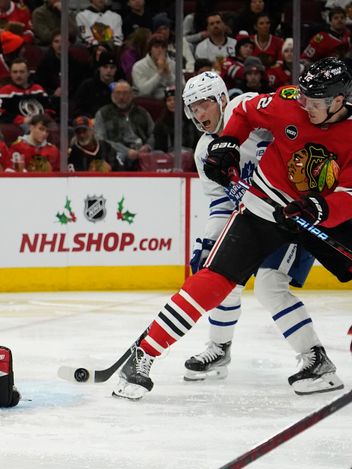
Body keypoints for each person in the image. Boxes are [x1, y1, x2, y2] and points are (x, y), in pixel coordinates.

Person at [113, 58, 352, 400]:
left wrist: (319, 208)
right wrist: (228, 143)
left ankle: (317, 361)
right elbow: (246, 115)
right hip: (261, 207)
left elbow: (350, 194)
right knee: (214, 277)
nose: (304, 106)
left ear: (339, 101)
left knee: (271, 286)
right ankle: (145, 354)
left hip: (313, 215)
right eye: (303, 98)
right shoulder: (289, 102)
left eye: (314, 103)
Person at [178, 70, 326, 384]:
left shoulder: (245, 107)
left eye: (204, 104)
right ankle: (219, 348)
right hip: (256, 219)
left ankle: (315, 357)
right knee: (223, 277)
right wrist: (207, 243)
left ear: (221, 98)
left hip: (292, 212)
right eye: (193, 108)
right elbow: (221, 203)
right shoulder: (205, 151)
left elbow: (291, 125)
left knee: (270, 286)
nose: (199, 113)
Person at [93, 80, 154, 171]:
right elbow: (101, 139)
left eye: (125, 93)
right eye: (118, 93)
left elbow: (154, 133)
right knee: (119, 158)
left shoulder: (142, 112)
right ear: (112, 95)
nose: (121, 97)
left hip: (143, 151)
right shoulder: (103, 113)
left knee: (159, 155)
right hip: (116, 152)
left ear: (132, 95)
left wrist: (148, 146)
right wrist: (126, 151)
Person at [0, 58, 52, 129]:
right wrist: (22, 120)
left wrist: (43, 119)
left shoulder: (38, 89)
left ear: (28, 73)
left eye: (22, 72)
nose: (18, 75)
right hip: (18, 127)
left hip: (42, 124)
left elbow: (49, 109)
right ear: (10, 74)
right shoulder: (4, 91)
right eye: (15, 72)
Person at [70, 53, 118, 120]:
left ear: (116, 69)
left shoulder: (120, 87)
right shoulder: (87, 86)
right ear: (99, 68)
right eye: (105, 67)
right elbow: (77, 109)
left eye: (112, 67)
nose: (109, 70)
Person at [131, 32, 178, 99]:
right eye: (156, 47)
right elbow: (144, 91)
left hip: (169, 102)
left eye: (163, 47)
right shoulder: (138, 66)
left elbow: (182, 88)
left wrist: (168, 73)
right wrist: (160, 73)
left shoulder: (173, 64)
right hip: (146, 102)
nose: (160, 50)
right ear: (150, 49)